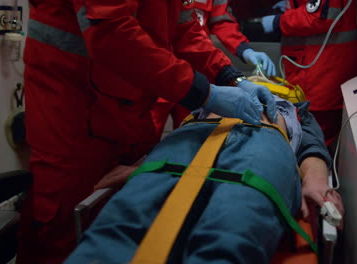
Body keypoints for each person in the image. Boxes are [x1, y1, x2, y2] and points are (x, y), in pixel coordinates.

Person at [17, 1, 278, 263]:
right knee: (64, 234)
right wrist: (206, 93)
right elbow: (110, 31)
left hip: (130, 111)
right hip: (72, 116)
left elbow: (184, 29)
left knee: (130, 216)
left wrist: (230, 76)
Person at [64, 96, 344, 264]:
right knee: (125, 221)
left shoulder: (295, 108)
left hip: (265, 139)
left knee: (233, 227)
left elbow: (312, 146)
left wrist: (316, 176)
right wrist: (142, 166)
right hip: (195, 133)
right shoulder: (213, 96)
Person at [151, 0, 279, 137]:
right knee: (142, 136)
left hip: (195, 75)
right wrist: (210, 94)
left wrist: (234, 76)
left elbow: (188, 33)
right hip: (150, 74)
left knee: (190, 136)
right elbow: (130, 39)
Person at [261, 0, 357, 146]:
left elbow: (320, 16)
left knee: (314, 142)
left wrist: (279, 21)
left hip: (322, 74)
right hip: (315, 71)